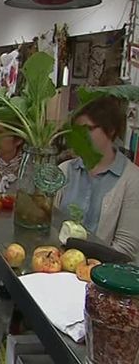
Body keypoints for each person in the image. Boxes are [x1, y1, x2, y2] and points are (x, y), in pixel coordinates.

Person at [56, 97, 139, 261]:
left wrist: (88, 267)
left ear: (111, 130)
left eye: (88, 129)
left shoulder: (132, 180)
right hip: (57, 263)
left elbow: (125, 248)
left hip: (102, 274)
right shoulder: (65, 170)